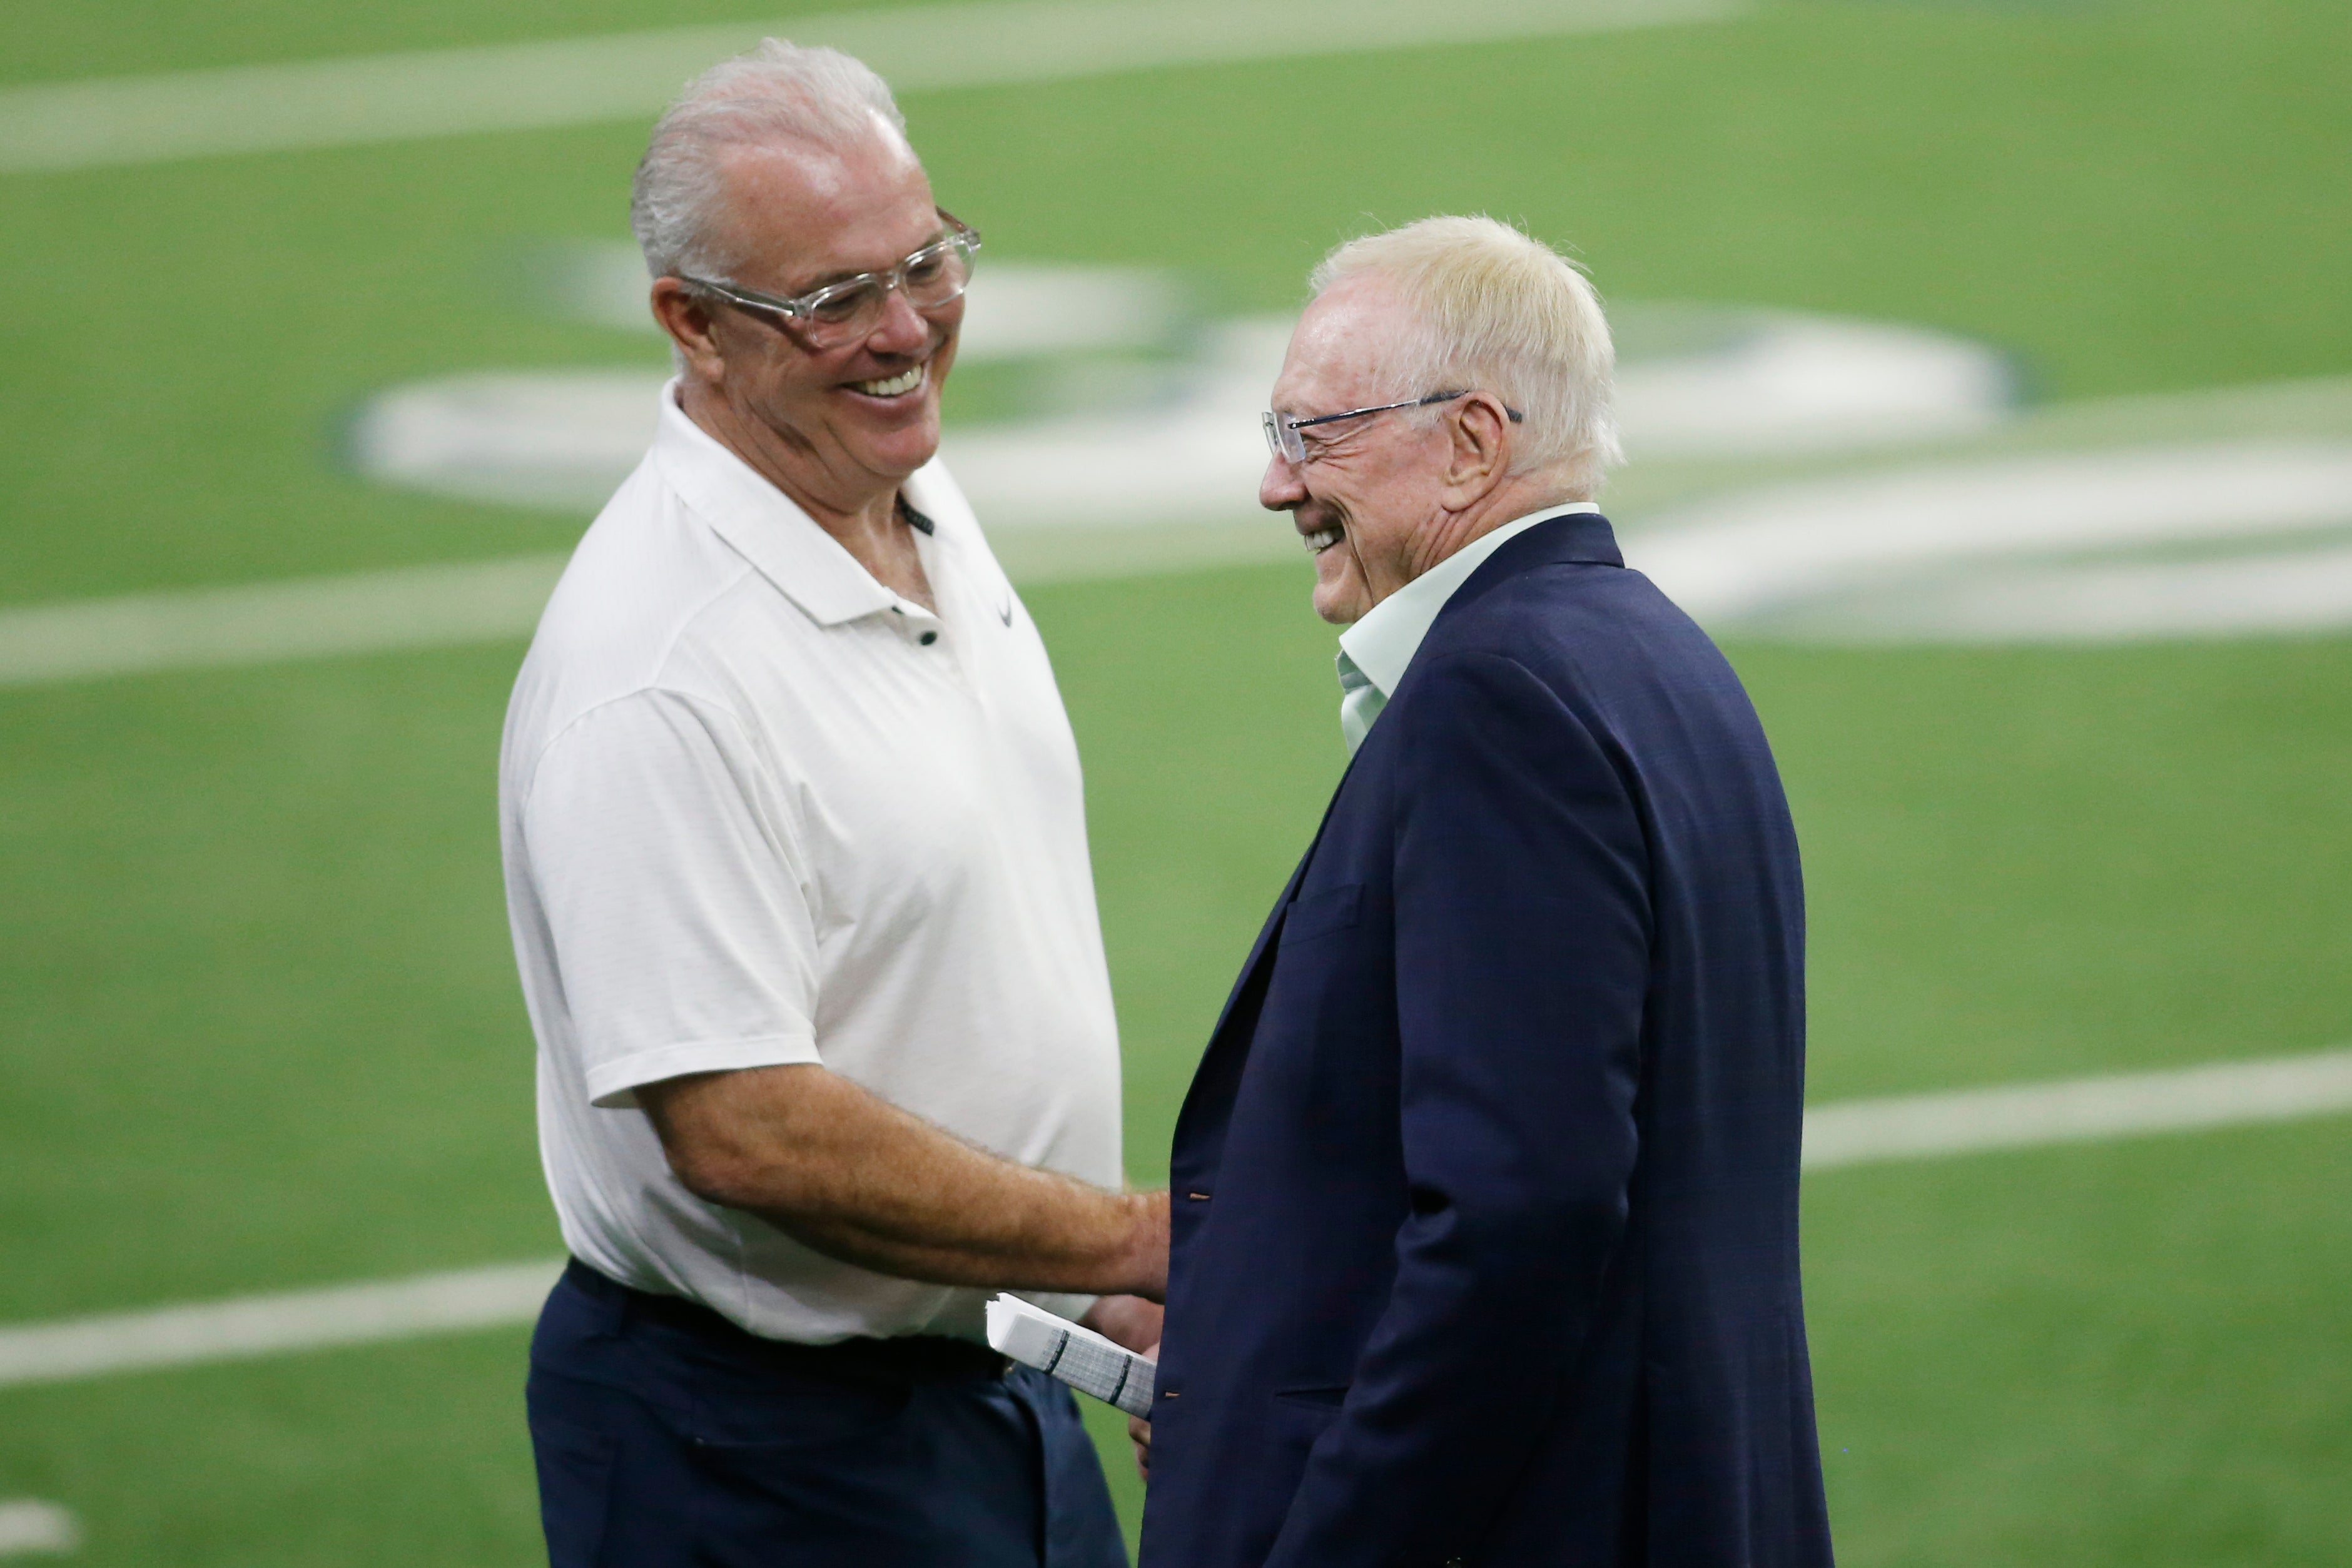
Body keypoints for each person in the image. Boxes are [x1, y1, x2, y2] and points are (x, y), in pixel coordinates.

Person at [498, 40, 1164, 1568]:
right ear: (693, 325)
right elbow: (742, 1128)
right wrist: (1128, 1238)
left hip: (992, 1380)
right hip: (759, 1456)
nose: (905, 330)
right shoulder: (656, 675)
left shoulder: (896, 487)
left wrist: (1091, 1299)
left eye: (927, 263)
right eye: (832, 299)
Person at [1134, 218, 1834, 1568]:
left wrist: (1321, 1532)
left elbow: (1518, 1219)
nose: (1276, 488)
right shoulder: (1655, 655)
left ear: (1470, 441)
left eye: (1309, 434)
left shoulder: (1492, 697)